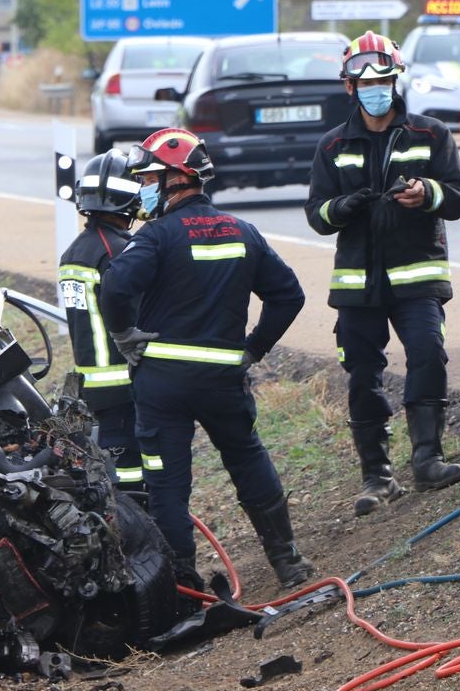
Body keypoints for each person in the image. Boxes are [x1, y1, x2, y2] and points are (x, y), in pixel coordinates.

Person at [99, 128, 315, 592]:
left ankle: (186, 590)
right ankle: (287, 561)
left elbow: (115, 288)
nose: (143, 189)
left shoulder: (156, 236)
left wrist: (123, 334)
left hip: (163, 383)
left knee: (167, 486)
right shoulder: (244, 232)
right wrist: (254, 348)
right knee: (247, 459)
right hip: (223, 379)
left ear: (177, 178)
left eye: (149, 178)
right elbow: (289, 296)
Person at [304, 31, 460, 517]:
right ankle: (377, 475)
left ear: (397, 80)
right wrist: (344, 206)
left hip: (417, 279)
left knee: (427, 354)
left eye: (384, 80)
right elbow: (317, 215)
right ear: (349, 88)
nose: (376, 89)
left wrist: (428, 194)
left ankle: (428, 458)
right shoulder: (333, 145)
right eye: (366, 82)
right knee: (362, 375)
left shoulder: (430, 134)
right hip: (357, 286)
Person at [58, 150, 144, 492]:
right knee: (135, 474)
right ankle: (143, 533)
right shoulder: (121, 251)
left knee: (111, 469)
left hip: (92, 385)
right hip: (125, 383)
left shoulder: (74, 252)